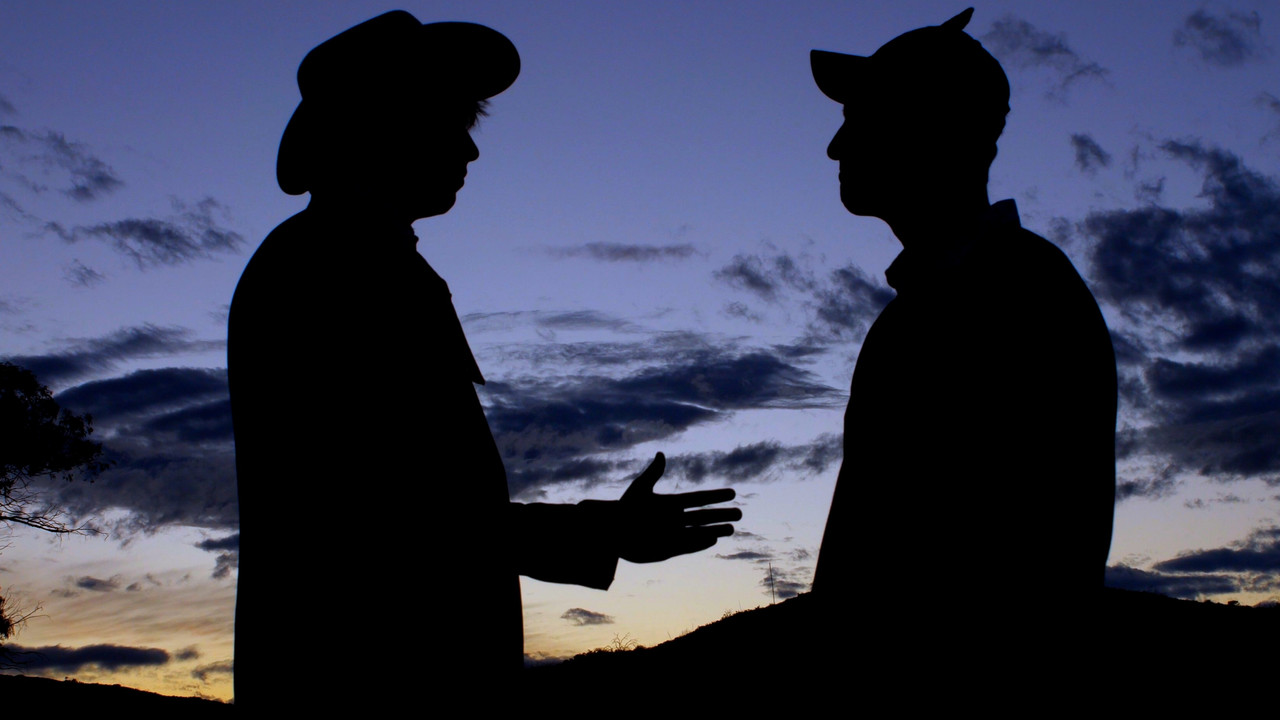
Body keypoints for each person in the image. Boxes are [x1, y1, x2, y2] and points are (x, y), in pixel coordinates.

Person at [228, 11, 740, 706]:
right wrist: (604, 532)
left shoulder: (361, 263)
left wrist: (601, 534)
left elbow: (422, 509)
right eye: (450, 121)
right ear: (384, 125)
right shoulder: (331, 271)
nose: (470, 154)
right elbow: (394, 520)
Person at [808, 9, 1117, 644]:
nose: (837, 146)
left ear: (925, 127)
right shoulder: (935, 305)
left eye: (858, 118)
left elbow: (1025, 563)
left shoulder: (1020, 297)